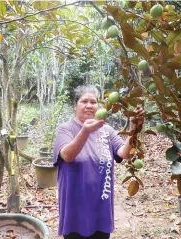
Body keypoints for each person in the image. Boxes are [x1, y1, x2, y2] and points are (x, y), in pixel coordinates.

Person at [53, 85, 145, 239]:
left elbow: (125, 153)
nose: (89, 105)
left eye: (93, 102)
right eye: (84, 101)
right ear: (75, 105)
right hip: (75, 208)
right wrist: (85, 131)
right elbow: (67, 155)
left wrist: (134, 128)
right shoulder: (66, 129)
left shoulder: (107, 131)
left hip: (101, 207)